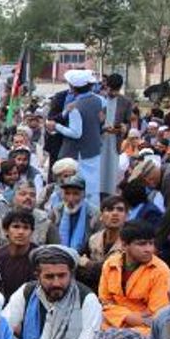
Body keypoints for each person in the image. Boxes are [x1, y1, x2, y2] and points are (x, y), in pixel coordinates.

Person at [99, 220, 170, 335]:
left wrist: (117, 313)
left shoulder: (161, 271)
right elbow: (104, 303)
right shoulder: (110, 264)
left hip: (144, 331)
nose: (149, 249)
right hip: (109, 325)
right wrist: (128, 317)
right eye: (142, 244)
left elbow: (157, 316)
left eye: (151, 243)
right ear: (124, 245)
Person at [48, 69, 104, 208]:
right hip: (95, 149)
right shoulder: (100, 100)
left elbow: (75, 133)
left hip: (79, 153)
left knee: (78, 186)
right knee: (94, 185)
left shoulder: (75, 107)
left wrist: (56, 126)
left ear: (73, 87)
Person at [78, 194, 127, 290]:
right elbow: (79, 262)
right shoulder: (94, 239)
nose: (115, 213)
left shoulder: (130, 242)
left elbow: (114, 272)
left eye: (120, 210)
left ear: (126, 216)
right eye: (109, 209)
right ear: (101, 216)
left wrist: (88, 264)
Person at [0, 208, 37, 300]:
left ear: (31, 232)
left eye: (26, 228)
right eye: (16, 227)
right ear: (6, 230)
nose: (21, 232)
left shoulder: (37, 258)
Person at [101, 73, 134, 197]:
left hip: (115, 141)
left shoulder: (126, 102)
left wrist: (123, 128)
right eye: (111, 89)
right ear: (106, 86)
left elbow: (128, 123)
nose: (113, 93)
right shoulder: (99, 99)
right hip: (99, 139)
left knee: (111, 170)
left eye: (116, 90)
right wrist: (102, 128)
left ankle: (109, 195)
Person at [50, 175, 99, 252]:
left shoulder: (94, 214)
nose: (70, 199)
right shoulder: (56, 211)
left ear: (83, 194)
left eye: (75, 194)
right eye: (67, 193)